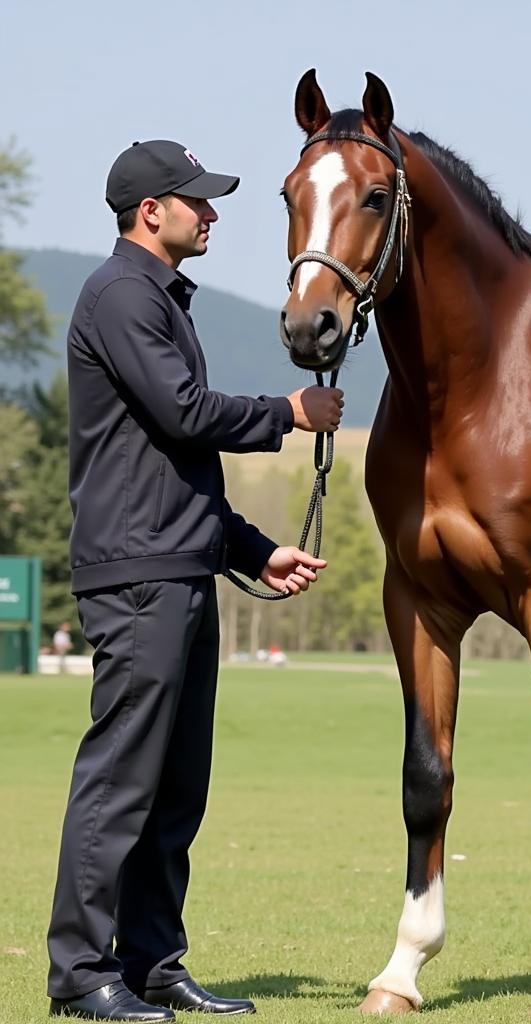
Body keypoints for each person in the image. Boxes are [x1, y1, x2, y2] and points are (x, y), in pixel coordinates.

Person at [47, 140, 343, 1021]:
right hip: (139, 582)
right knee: (122, 779)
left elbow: (173, 470)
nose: (210, 214)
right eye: (197, 202)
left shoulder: (157, 299)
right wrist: (286, 414)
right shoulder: (121, 297)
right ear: (151, 212)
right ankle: (78, 972)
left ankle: (151, 963)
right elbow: (184, 414)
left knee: (176, 785)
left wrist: (253, 552)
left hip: (175, 568)